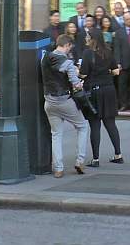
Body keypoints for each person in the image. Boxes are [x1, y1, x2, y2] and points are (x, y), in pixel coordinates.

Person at [40, 35, 89, 178]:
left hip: (49, 102)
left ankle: (58, 168)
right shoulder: (66, 62)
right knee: (82, 126)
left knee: (56, 134)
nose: (69, 51)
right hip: (64, 100)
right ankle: (80, 161)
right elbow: (75, 83)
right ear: (67, 45)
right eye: (69, 48)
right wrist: (79, 83)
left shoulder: (45, 58)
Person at [79, 29, 123, 168]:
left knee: (95, 125)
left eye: (87, 36)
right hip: (109, 90)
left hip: (94, 92)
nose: (86, 38)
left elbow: (83, 74)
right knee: (111, 123)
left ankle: (96, 159)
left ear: (92, 39)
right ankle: (118, 154)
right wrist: (106, 72)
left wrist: (78, 72)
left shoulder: (87, 53)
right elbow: (116, 71)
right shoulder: (108, 51)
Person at [113, 12, 130, 111]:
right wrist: (118, 62)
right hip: (123, 63)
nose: (129, 21)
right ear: (124, 20)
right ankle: (123, 104)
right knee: (122, 85)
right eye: (127, 19)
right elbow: (117, 49)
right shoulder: (119, 32)